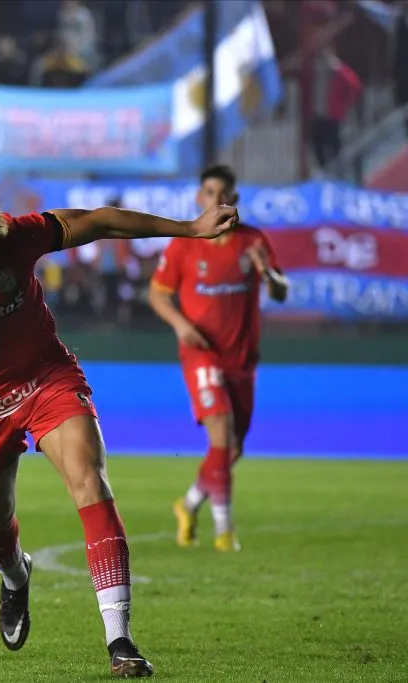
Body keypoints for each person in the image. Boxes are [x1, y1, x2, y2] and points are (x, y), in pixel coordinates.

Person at [0, 179, 240, 678]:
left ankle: (120, 640)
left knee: (90, 480)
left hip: (45, 379)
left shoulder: (18, 235)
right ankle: (16, 576)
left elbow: (101, 221)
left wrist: (189, 228)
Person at [148, 164, 288, 552]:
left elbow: (280, 292)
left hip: (241, 358)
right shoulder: (184, 244)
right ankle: (225, 532)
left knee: (232, 449)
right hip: (201, 354)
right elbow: (157, 294)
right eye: (210, 192)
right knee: (222, 435)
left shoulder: (253, 241)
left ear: (234, 199)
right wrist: (180, 325)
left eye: (224, 193)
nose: (217, 200)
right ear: (200, 197)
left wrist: (268, 274)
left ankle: (189, 504)